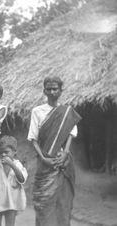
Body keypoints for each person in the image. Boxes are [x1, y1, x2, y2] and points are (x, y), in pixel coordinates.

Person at [27, 76, 81, 226]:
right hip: (45, 163)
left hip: (62, 163)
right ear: (44, 90)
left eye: (55, 89)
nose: (51, 92)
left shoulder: (67, 112)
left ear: (60, 90)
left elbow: (71, 133)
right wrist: (44, 159)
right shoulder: (37, 111)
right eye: (48, 89)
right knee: (43, 202)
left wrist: (65, 153)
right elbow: (33, 139)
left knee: (62, 201)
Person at [0, 135, 28, 226]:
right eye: (1, 152)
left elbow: (21, 179)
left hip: (11, 202)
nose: (3, 154)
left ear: (14, 152)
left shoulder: (18, 165)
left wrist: (12, 165)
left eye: (6, 152)